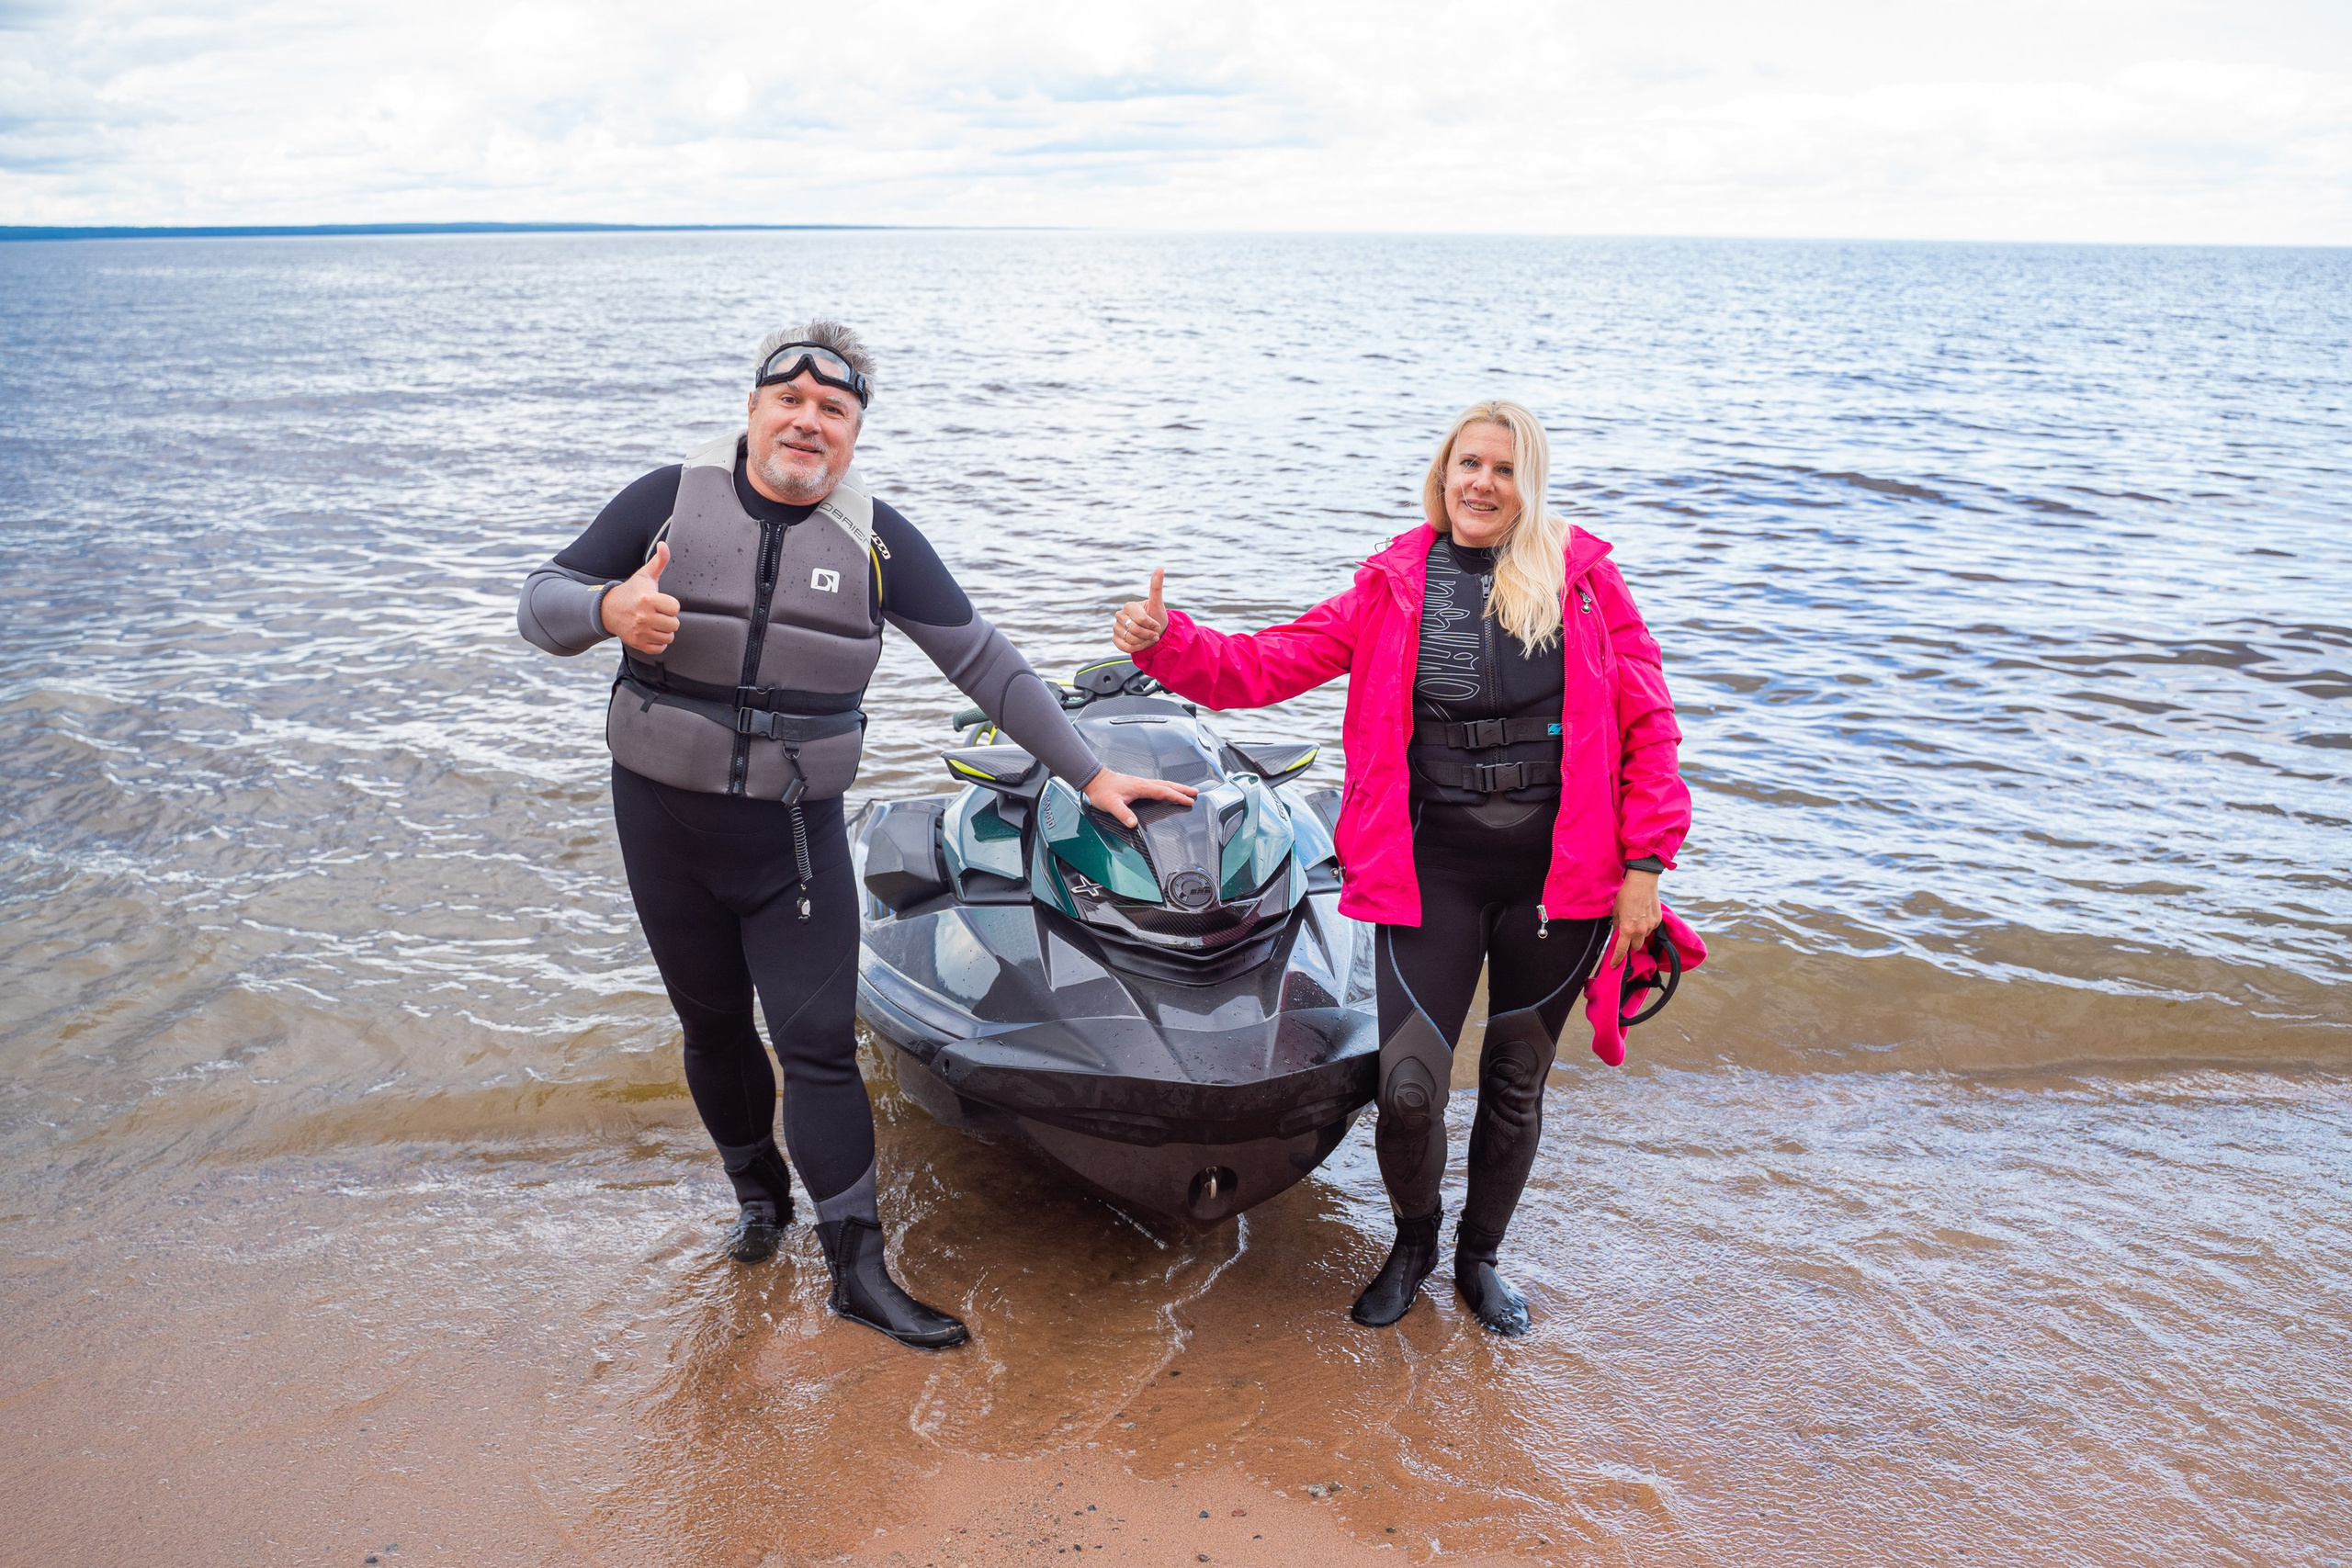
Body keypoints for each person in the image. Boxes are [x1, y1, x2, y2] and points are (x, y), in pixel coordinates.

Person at [517, 322, 1192, 1349]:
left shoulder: (878, 539)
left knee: (819, 1044)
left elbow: (988, 666)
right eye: (787, 398)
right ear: (751, 411)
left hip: (790, 841)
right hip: (663, 827)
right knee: (713, 1031)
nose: (807, 418)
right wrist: (612, 608)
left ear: (854, 432)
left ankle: (855, 1268)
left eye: (833, 408)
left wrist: (1091, 775)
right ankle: (758, 1202)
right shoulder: (667, 498)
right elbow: (539, 605)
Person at [1109, 400, 1690, 1335]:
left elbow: (1648, 724)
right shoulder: (1395, 582)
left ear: (1525, 482)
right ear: (1442, 472)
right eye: (1468, 463)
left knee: (1513, 1081)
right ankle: (1413, 1242)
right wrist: (1169, 644)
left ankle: (1479, 1258)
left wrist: (1646, 866)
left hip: (1560, 882)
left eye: (1502, 468)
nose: (1481, 483)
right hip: (1434, 873)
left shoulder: (1585, 584)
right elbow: (1272, 662)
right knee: (1409, 1087)